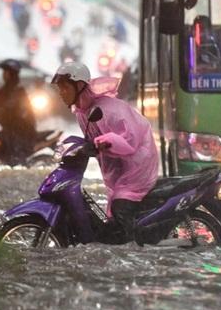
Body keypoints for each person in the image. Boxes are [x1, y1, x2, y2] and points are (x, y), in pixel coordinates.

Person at [51, 62, 161, 244]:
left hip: (137, 167)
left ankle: (136, 245)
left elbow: (129, 143)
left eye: (64, 87)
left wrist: (104, 141)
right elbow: (89, 139)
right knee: (109, 216)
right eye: (59, 88)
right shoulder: (81, 112)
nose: (61, 92)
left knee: (120, 208)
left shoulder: (108, 110)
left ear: (79, 86)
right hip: (118, 170)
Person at [0, 59, 37, 165]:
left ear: (12, 74)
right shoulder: (4, 90)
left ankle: (18, 165)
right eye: (3, 72)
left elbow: (9, 106)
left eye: (6, 72)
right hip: (9, 129)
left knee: (12, 151)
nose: (3, 75)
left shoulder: (17, 91)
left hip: (21, 131)